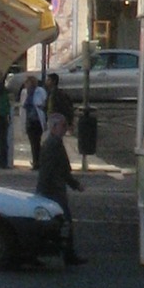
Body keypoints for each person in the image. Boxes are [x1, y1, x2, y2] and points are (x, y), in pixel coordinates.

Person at [36, 113, 86, 266]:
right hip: (53, 192)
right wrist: (42, 192)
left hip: (54, 190)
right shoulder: (52, 145)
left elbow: (61, 170)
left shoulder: (54, 143)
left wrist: (74, 184)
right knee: (64, 222)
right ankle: (66, 254)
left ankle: (65, 253)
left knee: (59, 222)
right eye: (63, 126)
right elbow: (51, 171)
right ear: (54, 127)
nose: (66, 129)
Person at [20, 74, 47, 170]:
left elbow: (44, 103)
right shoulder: (24, 93)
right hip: (29, 121)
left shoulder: (40, 91)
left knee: (36, 142)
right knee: (33, 142)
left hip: (37, 120)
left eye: (28, 83)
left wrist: (40, 106)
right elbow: (22, 106)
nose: (26, 85)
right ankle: (36, 161)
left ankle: (37, 162)